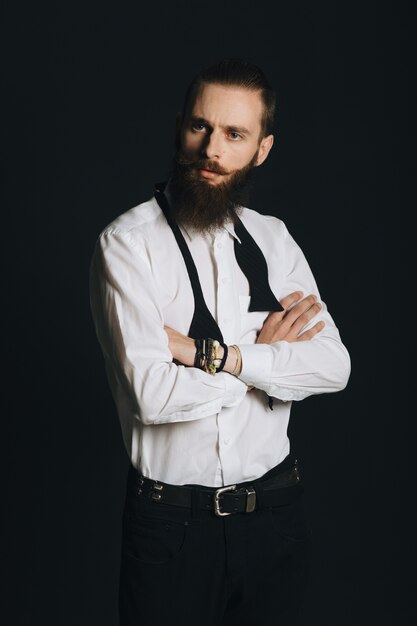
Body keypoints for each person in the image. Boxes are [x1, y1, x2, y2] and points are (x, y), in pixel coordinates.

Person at [89, 58, 350, 626]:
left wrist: (213, 355)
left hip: (276, 517)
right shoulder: (127, 246)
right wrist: (267, 361)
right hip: (172, 529)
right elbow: (153, 397)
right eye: (200, 127)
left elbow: (333, 366)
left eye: (235, 134)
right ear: (179, 126)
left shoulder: (274, 240)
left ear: (262, 149)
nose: (213, 149)